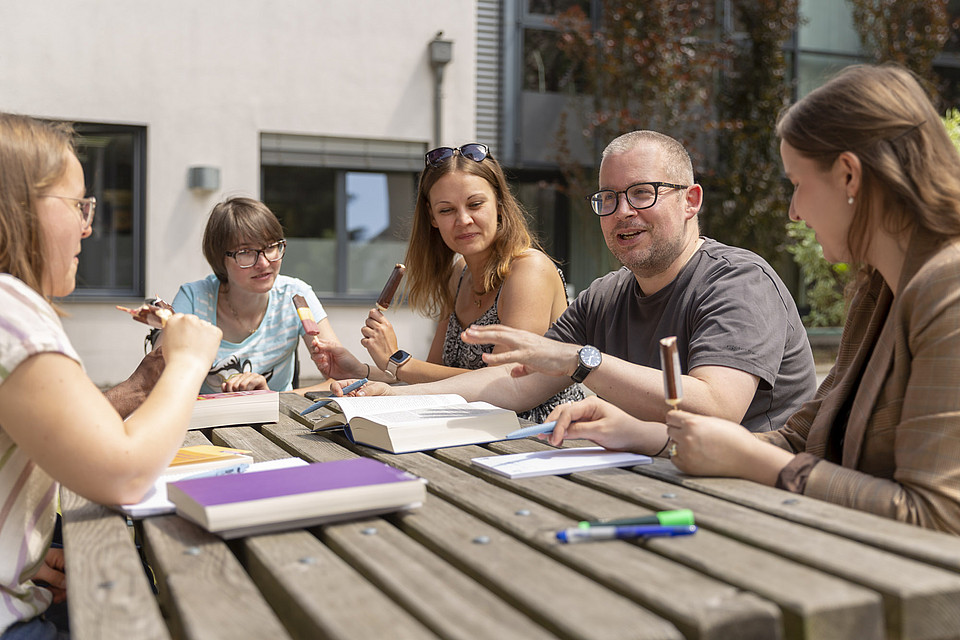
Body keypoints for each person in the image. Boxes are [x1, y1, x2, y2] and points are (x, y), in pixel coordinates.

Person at [548, 65, 960, 534]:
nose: (795, 210)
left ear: (849, 176)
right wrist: (641, 434)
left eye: (799, 183)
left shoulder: (948, 290)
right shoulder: (876, 290)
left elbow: (939, 519)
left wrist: (757, 464)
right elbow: (804, 437)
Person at [333, 131, 817, 436]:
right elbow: (517, 384)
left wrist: (582, 360)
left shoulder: (738, 280)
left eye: (643, 194)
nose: (623, 211)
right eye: (608, 198)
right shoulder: (607, 295)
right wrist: (394, 395)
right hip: (655, 475)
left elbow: (716, 408)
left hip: (755, 495)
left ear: (691, 200)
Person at [0, 113, 222, 638]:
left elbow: (59, 429)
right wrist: (189, 361)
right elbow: (124, 474)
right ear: (18, 207)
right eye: (78, 204)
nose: (88, 226)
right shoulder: (12, 312)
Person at [318, 143, 583, 422]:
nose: (463, 220)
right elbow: (432, 378)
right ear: (432, 217)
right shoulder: (457, 275)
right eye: (446, 210)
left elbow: (505, 381)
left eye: (475, 204)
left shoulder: (530, 269)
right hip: (471, 433)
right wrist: (362, 373)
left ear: (500, 205)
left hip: (540, 437)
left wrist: (398, 361)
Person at [167, 197, 368, 394]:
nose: (263, 263)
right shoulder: (194, 299)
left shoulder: (295, 295)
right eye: (245, 251)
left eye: (271, 247)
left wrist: (269, 397)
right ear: (220, 259)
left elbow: (343, 380)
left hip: (279, 423)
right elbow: (162, 382)